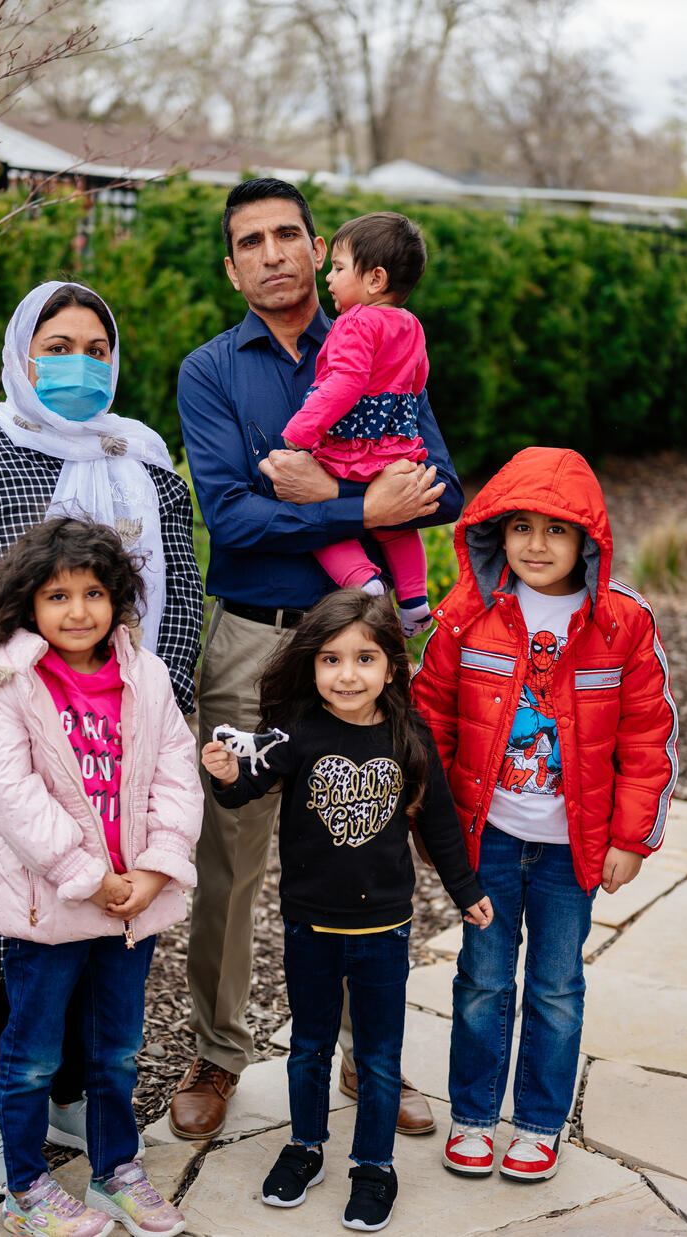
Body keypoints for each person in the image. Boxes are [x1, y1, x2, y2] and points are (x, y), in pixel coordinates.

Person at [172, 177, 464, 1140]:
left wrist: (356, 501)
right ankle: (217, 1052)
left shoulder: (381, 336)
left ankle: (361, 1053)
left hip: (362, 646)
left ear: (320, 246)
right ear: (232, 264)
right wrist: (355, 511)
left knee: (361, 841)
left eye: (289, 234)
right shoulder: (212, 371)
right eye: (249, 240)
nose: (272, 253)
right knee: (232, 860)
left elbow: (444, 486)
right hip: (253, 637)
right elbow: (232, 518)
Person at [0, 282, 202, 1192]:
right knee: (16, 931)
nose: (80, 362)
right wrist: (32, 711)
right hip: (16, 751)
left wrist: (152, 706)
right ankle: (4, 1113)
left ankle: (71, 1095)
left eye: (97, 347)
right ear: (21, 354)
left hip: (127, 749)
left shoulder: (142, 461)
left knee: (108, 932)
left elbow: (176, 597)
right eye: (57, 344)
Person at [412, 446, 678, 1183]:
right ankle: (472, 1115)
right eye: (521, 526)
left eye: (557, 530)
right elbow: (429, 718)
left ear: (588, 541)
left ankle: (536, 1123)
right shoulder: (467, 614)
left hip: (573, 848)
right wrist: (430, 824)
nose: (536, 545)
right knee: (484, 979)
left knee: (557, 985)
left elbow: (647, 731)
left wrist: (632, 835)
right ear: (495, 531)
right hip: (486, 838)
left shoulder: (621, 624)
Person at [0, 517, 201, 1237]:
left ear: (117, 597)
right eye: (58, 595)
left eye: (92, 592)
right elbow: (13, 794)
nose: (78, 610)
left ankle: (117, 1169)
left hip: (130, 903)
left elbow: (178, 770)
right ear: (29, 604)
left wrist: (152, 868)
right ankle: (25, 1185)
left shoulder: (144, 674)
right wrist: (89, 874)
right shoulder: (11, 685)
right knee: (33, 1054)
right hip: (51, 903)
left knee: (115, 1048)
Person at [201, 590, 492, 1231]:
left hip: (385, 929)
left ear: (391, 665)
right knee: (308, 1049)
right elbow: (242, 792)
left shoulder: (408, 735)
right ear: (311, 667)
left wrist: (466, 891)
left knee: (381, 1057)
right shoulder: (298, 732)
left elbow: (440, 822)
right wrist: (225, 774)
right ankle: (305, 1147)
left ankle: (374, 1164)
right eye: (330, 659)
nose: (347, 674)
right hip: (310, 924)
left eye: (364, 658)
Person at [282, 212, 434, 638]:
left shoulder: (356, 322)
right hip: (397, 446)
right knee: (396, 524)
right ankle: (416, 602)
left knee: (313, 513)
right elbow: (419, 379)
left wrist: (300, 433)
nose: (328, 277)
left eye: (339, 267)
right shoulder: (411, 323)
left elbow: (345, 384)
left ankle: (365, 584)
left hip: (351, 448)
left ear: (375, 279)